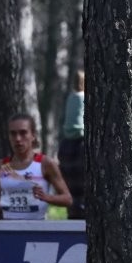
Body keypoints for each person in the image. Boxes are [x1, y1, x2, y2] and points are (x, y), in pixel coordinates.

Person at [0, 113, 72, 220]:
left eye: (23, 133)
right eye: (13, 134)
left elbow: (68, 199)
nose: (18, 139)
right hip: (8, 230)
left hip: (37, 230)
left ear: (33, 135)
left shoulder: (45, 164)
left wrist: (47, 197)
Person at [57, 71, 85, 220]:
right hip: (82, 140)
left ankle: (74, 208)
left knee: (71, 180)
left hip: (67, 142)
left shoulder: (71, 97)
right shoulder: (85, 98)